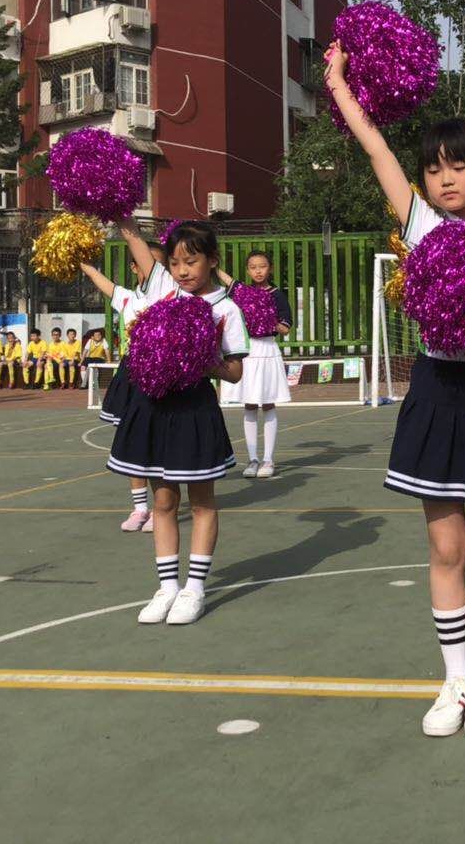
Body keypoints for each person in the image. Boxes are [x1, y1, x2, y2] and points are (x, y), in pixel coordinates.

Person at [329, 41, 465, 739]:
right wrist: (338, 82)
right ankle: (453, 679)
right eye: (434, 166)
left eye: (459, 165)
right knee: (443, 550)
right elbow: (375, 150)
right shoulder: (420, 226)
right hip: (434, 391)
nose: (445, 177)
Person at [106, 221, 247, 626]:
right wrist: (118, 213)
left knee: (202, 501)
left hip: (194, 408)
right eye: (174, 262)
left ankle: (195, 587)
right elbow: (133, 238)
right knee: (163, 502)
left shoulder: (226, 309)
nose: (182, 270)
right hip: (154, 405)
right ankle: (167, 587)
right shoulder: (162, 290)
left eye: (192, 261)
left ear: (212, 260)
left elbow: (235, 372)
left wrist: (208, 361)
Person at [81, 242, 168, 533]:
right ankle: (139, 509)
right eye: (146, 264)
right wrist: (84, 264)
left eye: (159, 265)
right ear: (134, 266)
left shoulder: (169, 296)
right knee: (131, 440)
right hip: (131, 373)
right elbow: (99, 280)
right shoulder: (128, 298)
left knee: (158, 441)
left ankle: (160, 509)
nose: (153, 270)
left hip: (159, 372)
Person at [218, 251, 293, 479]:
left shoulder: (277, 294)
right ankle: (252, 459)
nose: (258, 271)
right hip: (248, 352)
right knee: (249, 405)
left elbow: (286, 326)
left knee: (268, 404)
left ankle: (268, 459)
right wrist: (209, 258)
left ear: (270, 268)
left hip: (267, 349)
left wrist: (266, 317)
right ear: (248, 270)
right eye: (253, 267)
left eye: (262, 266)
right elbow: (226, 279)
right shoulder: (243, 292)